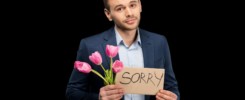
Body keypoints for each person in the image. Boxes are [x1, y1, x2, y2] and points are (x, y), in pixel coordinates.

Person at [66, 0, 180, 100]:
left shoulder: (159, 42)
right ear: (108, 14)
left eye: (132, 5)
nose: (129, 13)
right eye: (120, 8)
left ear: (140, 5)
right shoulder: (90, 45)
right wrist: (98, 98)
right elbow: (72, 92)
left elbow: (172, 87)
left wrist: (173, 97)